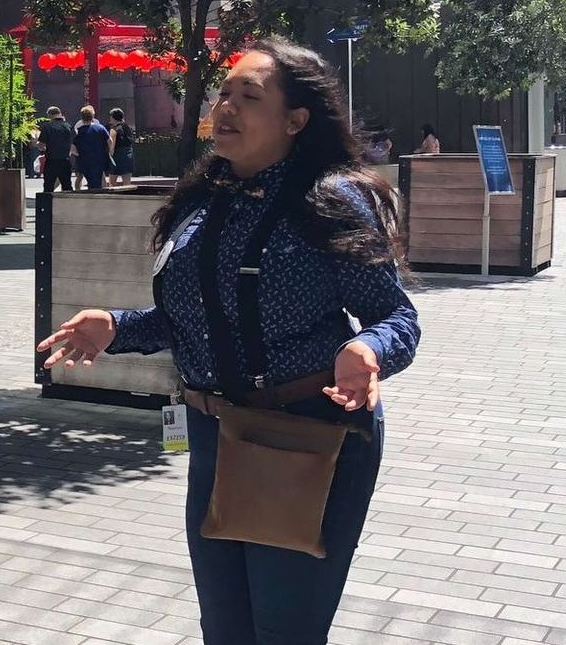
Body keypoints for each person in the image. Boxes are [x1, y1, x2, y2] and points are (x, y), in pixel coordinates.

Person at [39, 37, 419, 645]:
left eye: (249, 96)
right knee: (225, 628)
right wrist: (116, 326)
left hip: (302, 436)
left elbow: (396, 317)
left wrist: (368, 350)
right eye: (224, 93)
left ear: (296, 120)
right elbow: (194, 318)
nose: (227, 107)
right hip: (213, 433)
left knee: (282, 631)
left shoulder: (330, 200)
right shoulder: (206, 198)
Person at [38, 106, 76, 193]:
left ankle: (47, 205)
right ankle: (69, 205)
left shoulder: (47, 127)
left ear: (49, 115)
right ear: (60, 114)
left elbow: (41, 145)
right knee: (67, 185)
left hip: (51, 161)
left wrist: (42, 148)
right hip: (65, 160)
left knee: (48, 186)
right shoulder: (68, 126)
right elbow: (73, 144)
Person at [73, 104, 112, 190]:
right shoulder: (100, 128)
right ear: (92, 116)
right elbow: (110, 141)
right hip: (98, 158)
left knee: (81, 178)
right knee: (99, 179)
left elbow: (73, 147)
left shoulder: (79, 130)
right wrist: (107, 151)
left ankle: (78, 194)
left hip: (84, 159)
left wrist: (79, 154)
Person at [108, 107, 136, 185]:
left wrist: (109, 157)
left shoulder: (114, 130)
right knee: (127, 183)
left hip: (117, 156)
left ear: (113, 118)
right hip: (128, 155)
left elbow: (112, 146)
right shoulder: (128, 128)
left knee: (112, 183)